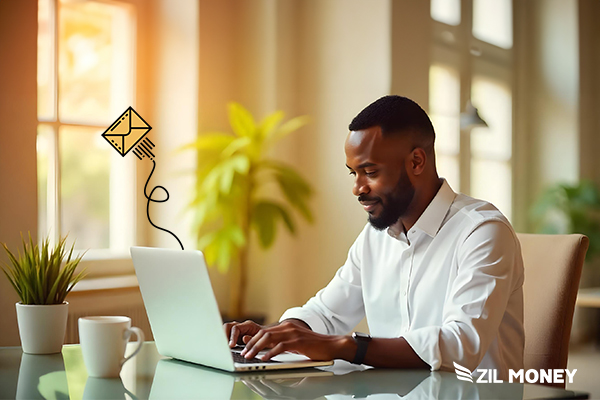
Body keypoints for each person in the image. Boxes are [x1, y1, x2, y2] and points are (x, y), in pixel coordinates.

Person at [224, 95, 524, 378]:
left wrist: (348, 346)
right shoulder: (375, 236)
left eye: (370, 171)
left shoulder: (482, 231)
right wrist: (277, 333)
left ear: (417, 162)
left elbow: (461, 346)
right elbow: (328, 313)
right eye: (353, 173)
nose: (358, 187)